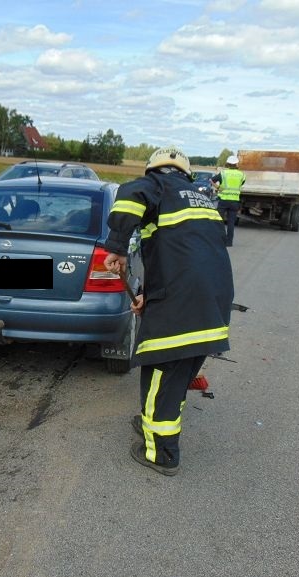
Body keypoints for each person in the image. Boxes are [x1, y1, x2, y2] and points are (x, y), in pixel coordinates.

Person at [103, 146, 234, 476]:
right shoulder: (203, 200)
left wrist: (116, 247)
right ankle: (153, 422)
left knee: (160, 373)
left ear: (154, 171)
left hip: (182, 307)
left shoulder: (157, 187)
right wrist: (148, 294)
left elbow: (131, 192)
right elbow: (183, 258)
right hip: (212, 306)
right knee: (176, 378)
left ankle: (161, 453)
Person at [211, 155, 246, 247]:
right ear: (236, 164)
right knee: (231, 223)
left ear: (228, 164)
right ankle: (229, 242)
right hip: (234, 202)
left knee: (219, 221)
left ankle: (219, 240)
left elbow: (211, 180)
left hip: (223, 201)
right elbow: (241, 183)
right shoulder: (241, 174)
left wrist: (218, 187)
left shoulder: (223, 173)